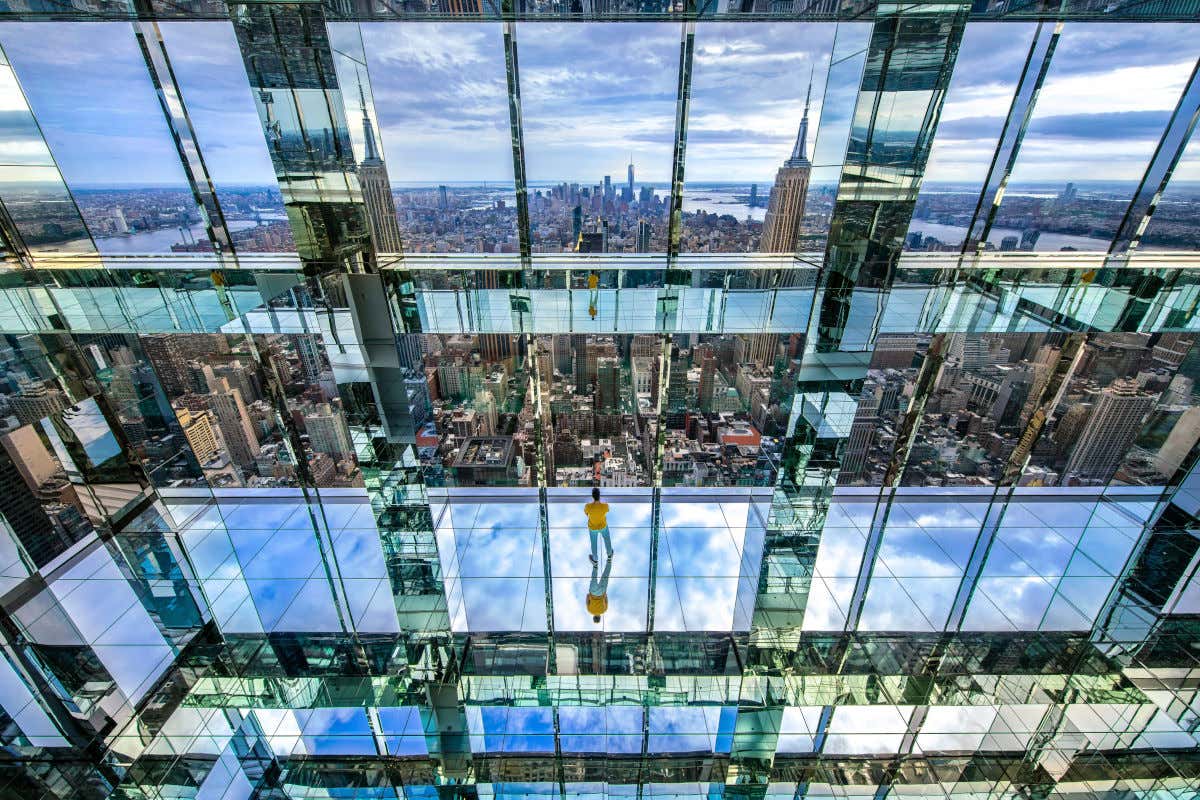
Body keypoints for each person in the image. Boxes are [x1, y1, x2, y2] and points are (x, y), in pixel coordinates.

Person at [584, 486, 613, 564]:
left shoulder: (588, 506)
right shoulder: (605, 506)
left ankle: (595, 559)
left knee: (594, 543)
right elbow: (607, 510)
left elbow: (586, 513)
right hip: (603, 526)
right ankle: (610, 554)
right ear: (599, 495)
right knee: (607, 539)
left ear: (592, 496)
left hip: (592, 527)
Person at [586, 555, 611, 624]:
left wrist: (603, 593)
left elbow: (606, 598)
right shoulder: (589, 610)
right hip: (593, 593)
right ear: (593, 617)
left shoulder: (604, 610)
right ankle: (595, 565)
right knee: (594, 577)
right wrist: (589, 595)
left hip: (602, 593)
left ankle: (609, 560)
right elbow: (587, 597)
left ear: (600, 617)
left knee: (606, 575)